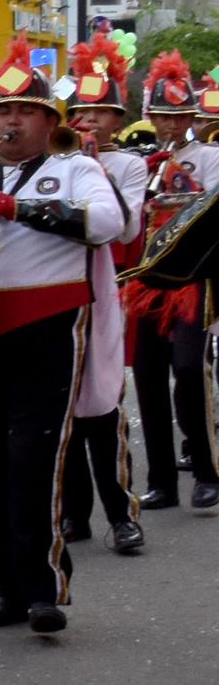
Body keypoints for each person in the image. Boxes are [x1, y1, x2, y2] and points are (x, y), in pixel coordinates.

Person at [0, 37, 125, 636]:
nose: (11, 121)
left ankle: (43, 587)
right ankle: (7, 589)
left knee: (31, 457)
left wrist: (20, 210)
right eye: (3, 113)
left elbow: (109, 224)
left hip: (45, 328)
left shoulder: (76, 168)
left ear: (48, 120)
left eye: (24, 112)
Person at [56, 33, 148, 556]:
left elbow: (127, 228)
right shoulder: (53, 159)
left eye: (101, 112)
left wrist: (95, 167)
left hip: (101, 290)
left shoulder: (130, 165)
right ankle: (74, 512)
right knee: (60, 403)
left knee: (103, 400)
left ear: (118, 118)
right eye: (82, 111)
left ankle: (121, 513)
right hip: (55, 294)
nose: (89, 120)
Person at [126, 53, 219, 512]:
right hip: (148, 281)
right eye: (162, 117)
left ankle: (206, 470)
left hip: (192, 278)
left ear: (192, 117)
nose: (169, 126)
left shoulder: (211, 157)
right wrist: (144, 178)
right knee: (146, 377)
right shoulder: (141, 162)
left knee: (188, 371)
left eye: (178, 116)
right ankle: (161, 480)